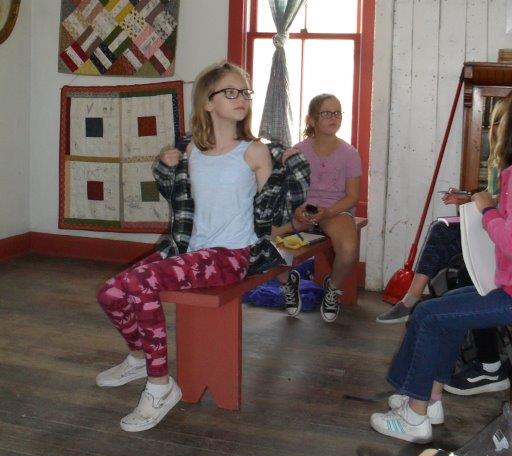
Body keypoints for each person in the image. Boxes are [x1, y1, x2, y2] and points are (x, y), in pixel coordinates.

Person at [95, 61, 309, 432]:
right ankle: (139, 358)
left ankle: (160, 386)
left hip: (233, 254)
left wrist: (287, 170)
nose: (241, 99)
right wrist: (166, 167)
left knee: (140, 283)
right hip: (189, 249)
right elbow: (178, 200)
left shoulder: (254, 151)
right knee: (110, 293)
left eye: (245, 92)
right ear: (208, 102)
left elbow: (277, 214)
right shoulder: (190, 149)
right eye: (231, 92)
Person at [370, 84, 512, 443]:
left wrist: (487, 209)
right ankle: (429, 398)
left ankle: (414, 416)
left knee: (428, 315)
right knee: (446, 310)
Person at [377, 97, 512, 396]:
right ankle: (413, 301)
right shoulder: (499, 161)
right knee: (445, 235)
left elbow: (507, 211)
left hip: (500, 237)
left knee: (462, 272)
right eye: (494, 121)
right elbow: (493, 197)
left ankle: (412, 302)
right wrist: (466, 197)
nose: (494, 128)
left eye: (501, 122)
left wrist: (479, 204)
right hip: (491, 227)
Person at [280, 94, 362, 322]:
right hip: (302, 209)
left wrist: (329, 212)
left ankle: (332, 288)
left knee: (348, 249)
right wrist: (297, 209)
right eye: (326, 113)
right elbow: (287, 190)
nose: (334, 117)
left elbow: (352, 197)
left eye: (337, 113)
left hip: (334, 210)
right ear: (311, 119)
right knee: (268, 237)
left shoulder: (349, 153)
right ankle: (288, 282)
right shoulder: (297, 151)